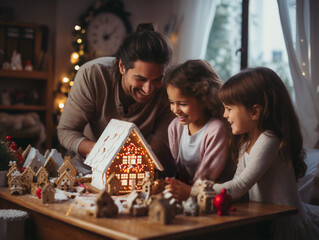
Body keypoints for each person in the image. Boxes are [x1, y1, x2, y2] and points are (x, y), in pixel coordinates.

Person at [213, 67, 319, 239]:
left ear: (254, 112)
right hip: (268, 221)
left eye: (229, 108)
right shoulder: (246, 143)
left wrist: (195, 190)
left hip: (287, 226)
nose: (224, 114)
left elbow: (240, 186)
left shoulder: (269, 139)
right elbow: (236, 182)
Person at [57, 23, 176, 177]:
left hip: (138, 173)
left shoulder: (170, 87)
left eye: (157, 80)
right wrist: (98, 151)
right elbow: (66, 131)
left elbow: (159, 148)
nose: (148, 89)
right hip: (88, 169)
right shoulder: (93, 75)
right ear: (121, 66)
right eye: (140, 79)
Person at [164, 60, 235, 202]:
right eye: (172, 102)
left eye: (182, 104)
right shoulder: (175, 127)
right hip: (186, 196)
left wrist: (187, 192)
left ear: (203, 97)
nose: (175, 110)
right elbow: (177, 170)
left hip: (211, 198)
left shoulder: (216, 129)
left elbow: (207, 177)